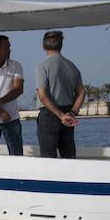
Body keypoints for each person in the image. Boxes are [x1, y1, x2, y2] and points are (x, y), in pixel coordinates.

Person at [34, 30, 85, 159]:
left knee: (48, 157)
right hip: (68, 113)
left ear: (43, 46)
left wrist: (61, 116)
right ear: (61, 45)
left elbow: (43, 96)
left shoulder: (42, 66)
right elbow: (82, 92)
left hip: (49, 114)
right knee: (68, 156)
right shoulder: (72, 66)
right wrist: (72, 112)